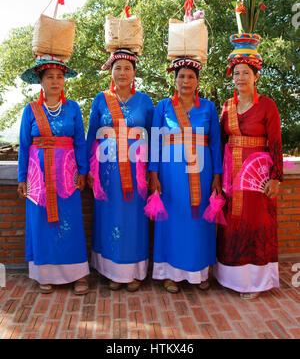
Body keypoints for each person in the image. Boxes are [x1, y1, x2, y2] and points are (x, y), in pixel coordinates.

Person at [149, 58, 222, 293]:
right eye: (181, 76)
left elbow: (216, 144)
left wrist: (217, 175)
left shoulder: (208, 107)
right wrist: (153, 173)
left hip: (202, 172)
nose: (186, 81)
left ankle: (199, 273)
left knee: (199, 221)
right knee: (172, 221)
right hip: (170, 175)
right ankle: (171, 275)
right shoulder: (163, 107)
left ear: (198, 81)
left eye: (191, 77)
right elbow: (154, 142)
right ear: (175, 80)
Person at [18, 56, 89, 295]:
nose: (55, 81)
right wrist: (21, 178)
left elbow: (80, 141)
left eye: (59, 77)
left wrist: (83, 171)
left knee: (71, 222)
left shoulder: (73, 108)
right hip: (38, 179)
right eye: (50, 77)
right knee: (42, 223)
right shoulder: (30, 110)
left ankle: (77, 274)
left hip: (67, 177)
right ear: (41, 81)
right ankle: (44, 275)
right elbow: (24, 145)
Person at [214, 55, 283, 299]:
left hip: (259, 175)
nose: (240, 78)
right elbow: (220, 141)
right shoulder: (227, 106)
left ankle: (255, 283)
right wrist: (218, 176)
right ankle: (229, 278)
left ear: (256, 76)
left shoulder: (268, 105)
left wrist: (276, 177)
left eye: (246, 73)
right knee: (232, 224)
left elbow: (275, 141)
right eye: (236, 73)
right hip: (232, 176)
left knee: (256, 222)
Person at [87, 49, 154, 292]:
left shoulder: (145, 101)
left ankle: (133, 272)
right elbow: (91, 135)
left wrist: (153, 169)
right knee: (109, 217)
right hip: (106, 172)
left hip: (137, 172)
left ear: (134, 73)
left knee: (134, 218)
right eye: (118, 68)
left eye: (127, 68)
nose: (123, 73)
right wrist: (87, 168)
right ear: (111, 72)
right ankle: (111, 272)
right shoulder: (100, 99)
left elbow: (154, 137)